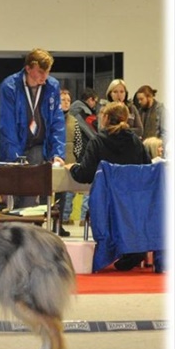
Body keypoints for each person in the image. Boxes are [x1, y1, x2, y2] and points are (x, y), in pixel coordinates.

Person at [66, 102, 151, 270]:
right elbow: (147, 170)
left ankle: (108, 249)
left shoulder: (98, 142)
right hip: (132, 205)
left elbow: (85, 174)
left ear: (105, 118)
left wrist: (72, 167)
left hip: (107, 204)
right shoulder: (136, 142)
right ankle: (134, 247)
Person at [0, 48, 65, 209]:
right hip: (14, 146)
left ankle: (30, 217)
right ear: (28, 68)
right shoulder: (9, 87)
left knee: (31, 193)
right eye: (40, 71)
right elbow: (7, 126)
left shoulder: (52, 86)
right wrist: (17, 158)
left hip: (38, 145)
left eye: (47, 71)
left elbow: (57, 122)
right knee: (10, 197)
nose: (44, 76)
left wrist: (57, 154)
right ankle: (8, 210)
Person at [69, 88, 100, 226]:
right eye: (95, 101)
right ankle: (83, 217)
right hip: (85, 152)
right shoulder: (84, 113)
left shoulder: (71, 113)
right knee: (88, 185)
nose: (95, 105)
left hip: (75, 153)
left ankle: (65, 216)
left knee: (69, 187)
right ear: (90, 99)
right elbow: (91, 133)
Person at [55, 89, 83, 237]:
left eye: (68, 100)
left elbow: (78, 142)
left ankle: (58, 225)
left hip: (68, 162)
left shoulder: (74, 120)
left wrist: (75, 158)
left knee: (64, 196)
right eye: (63, 100)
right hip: (53, 162)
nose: (66, 103)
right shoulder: (51, 118)